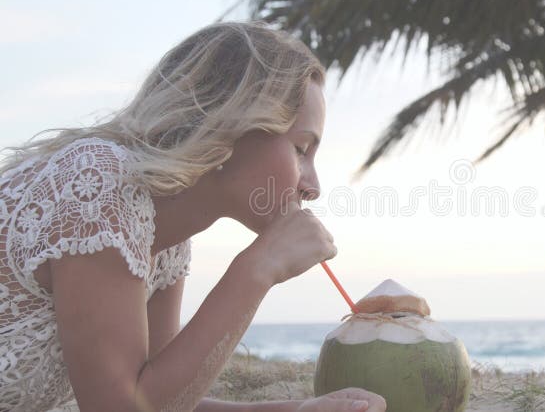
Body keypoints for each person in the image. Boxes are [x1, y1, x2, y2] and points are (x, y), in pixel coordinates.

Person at [0, 21, 387, 412]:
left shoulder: (165, 230)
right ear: (232, 126)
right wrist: (258, 268)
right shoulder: (97, 185)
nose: (313, 186)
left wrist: (297, 410)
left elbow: (162, 399)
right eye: (301, 149)